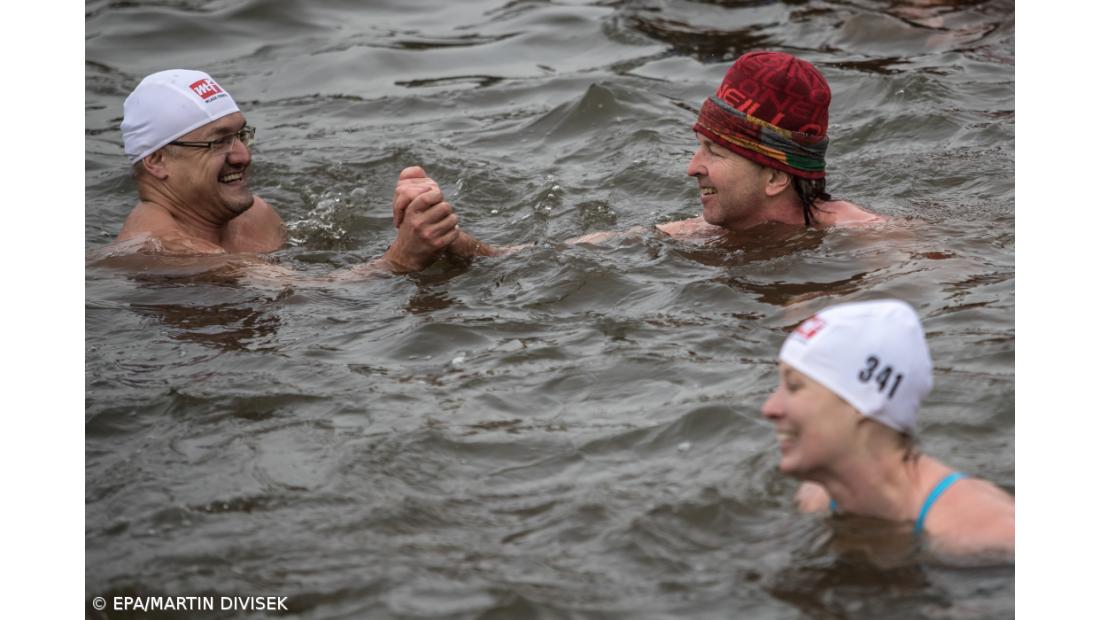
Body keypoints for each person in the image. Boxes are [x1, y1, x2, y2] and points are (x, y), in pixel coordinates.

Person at [392, 51, 881, 250]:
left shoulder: (863, 239)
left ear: (776, 176)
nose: (693, 168)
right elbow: (518, 258)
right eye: (698, 146)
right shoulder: (691, 235)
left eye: (715, 151)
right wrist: (443, 236)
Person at [104, 69, 458, 274]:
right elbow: (318, 300)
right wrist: (401, 258)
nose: (242, 156)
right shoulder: (162, 250)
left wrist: (438, 231)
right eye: (217, 142)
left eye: (241, 134)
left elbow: (314, 274)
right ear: (157, 161)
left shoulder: (255, 214)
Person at [761, 299, 1014, 559]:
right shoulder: (815, 500)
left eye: (793, 387)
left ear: (864, 401)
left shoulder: (988, 536)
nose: (769, 407)